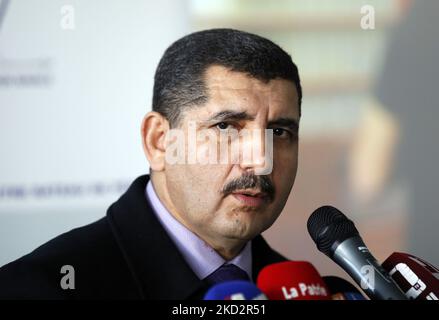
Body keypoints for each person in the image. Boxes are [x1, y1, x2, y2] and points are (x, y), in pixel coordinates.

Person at [0, 28, 355, 299]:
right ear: (158, 141)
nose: (260, 161)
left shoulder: (302, 289)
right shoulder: (39, 287)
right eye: (226, 127)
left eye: (278, 132)